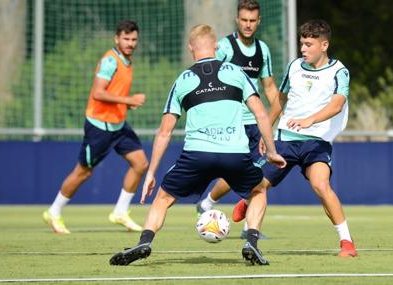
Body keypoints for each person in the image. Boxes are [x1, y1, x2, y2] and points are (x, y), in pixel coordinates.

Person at [109, 24, 286, 266]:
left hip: (197, 155)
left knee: (163, 198)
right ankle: (251, 242)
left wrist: (150, 173)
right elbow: (262, 115)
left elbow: (164, 132)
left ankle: (145, 241)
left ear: (190, 47)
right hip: (234, 154)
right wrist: (272, 150)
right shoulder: (235, 72)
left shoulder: (183, 80)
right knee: (257, 191)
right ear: (216, 47)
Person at [232, 19, 357, 257]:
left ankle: (347, 243)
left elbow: (338, 104)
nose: (303, 49)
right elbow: (280, 99)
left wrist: (311, 120)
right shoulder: (294, 66)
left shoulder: (339, 71)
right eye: (302, 44)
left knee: (321, 185)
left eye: (309, 44)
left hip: (317, 142)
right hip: (285, 139)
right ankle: (248, 207)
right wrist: (266, 127)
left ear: (324, 45)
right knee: (258, 186)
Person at [42, 20, 148, 234]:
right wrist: (128, 100)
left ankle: (120, 212)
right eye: (126, 39)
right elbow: (98, 93)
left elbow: (113, 93)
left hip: (118, 126)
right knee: (83, 173)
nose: (130, 43)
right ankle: (53, 212)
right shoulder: (110, 61)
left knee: (140, 163)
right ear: (116, 39)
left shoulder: (127, 61)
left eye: (134, 39)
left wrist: (125, 104)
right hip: (100, 127)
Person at [195, 0, 279, 240]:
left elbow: (269, 86)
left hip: (255, 123)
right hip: (231, 123)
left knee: (256, 177)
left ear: (258, 21)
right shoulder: (224, 47)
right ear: (237, 20)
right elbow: (208, 77)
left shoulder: (263, 49)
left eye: (252, 21)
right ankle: (208, 203)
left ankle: (247, 230)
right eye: (244, 20)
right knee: (240, 174)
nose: (248, 25)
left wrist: (277, 108)